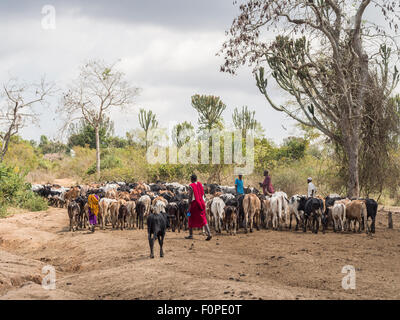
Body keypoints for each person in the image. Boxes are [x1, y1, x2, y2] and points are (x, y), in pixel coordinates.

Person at [185, 174, 212, 241]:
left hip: (194, 204)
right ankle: (209, 233)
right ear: (196, 179)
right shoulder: (200, 184)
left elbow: (190, 197)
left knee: (190, 217)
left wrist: (189, 207)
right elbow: (203, 194)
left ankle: (191, 234)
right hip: (202, 203)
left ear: (191, 179)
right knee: (203, 218)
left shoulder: (191, 186)